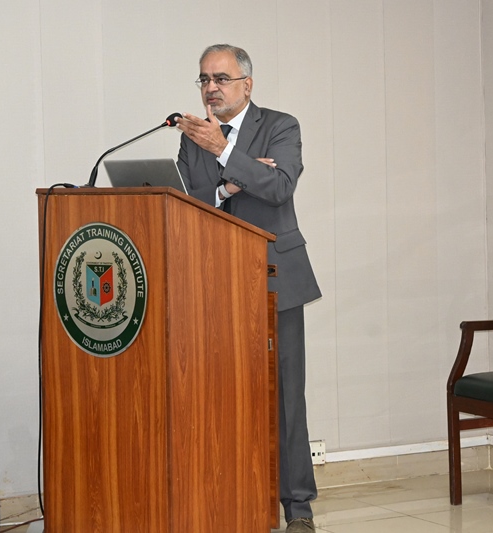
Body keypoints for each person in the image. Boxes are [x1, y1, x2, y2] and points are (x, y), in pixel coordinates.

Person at [176, 44, 322, 533]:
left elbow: (279, 188)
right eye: (204, 80)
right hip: (214, 282)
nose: (210, 88)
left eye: (221, 78)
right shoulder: (192, 139)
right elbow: (191, 202)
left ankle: (298, 509)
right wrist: (229, 184)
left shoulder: (281, 126)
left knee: (286, 398)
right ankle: (229, 497)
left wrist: (224, 153)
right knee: (219, 393)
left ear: (247, 84)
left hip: (276, 278)